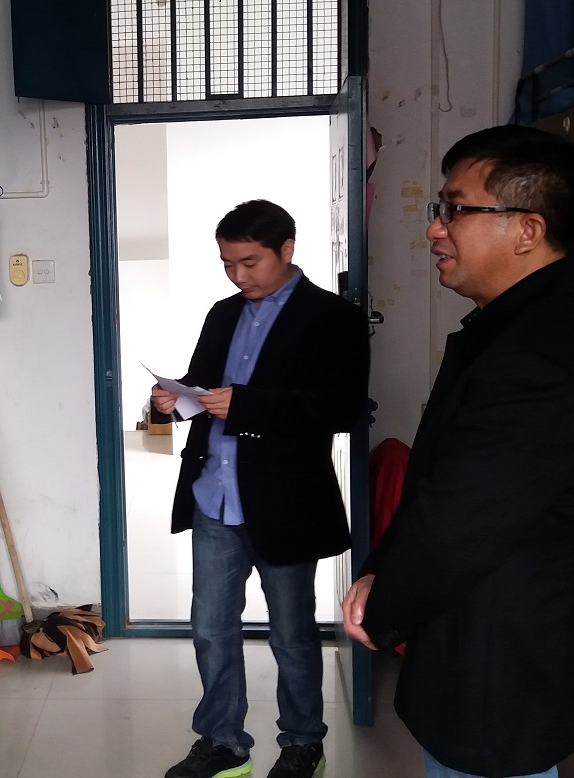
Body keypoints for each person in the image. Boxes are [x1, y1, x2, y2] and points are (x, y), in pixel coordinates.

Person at [341, 125, 574, 778]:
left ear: (526, 229)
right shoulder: (520, 328)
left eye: (454, 210)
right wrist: (382, 574)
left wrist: (383, 605)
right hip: (489, 653)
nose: (434, 230)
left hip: (500, 671)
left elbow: (460, 522)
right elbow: (444, 482)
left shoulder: (539, 359)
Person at [153, 200, 370, 778]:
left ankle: (302, 744)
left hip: (284, 502)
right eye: (228, 264)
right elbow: (205, 385)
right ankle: (223, 743)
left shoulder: (333, 317)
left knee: (292, 634)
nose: (238, 276)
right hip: (214, 496)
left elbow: (341, 409)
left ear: (287, 250)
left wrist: (247, 406)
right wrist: (176, 399)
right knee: (210, 630)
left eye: (249, 262)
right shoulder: (223, 313)